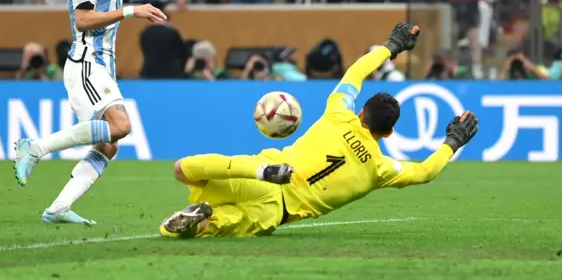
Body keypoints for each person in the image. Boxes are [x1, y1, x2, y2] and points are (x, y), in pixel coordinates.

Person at [159, 23, 480, 238]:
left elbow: (356, 72)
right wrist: (453, 142)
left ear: (362, 110)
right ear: (389, 134)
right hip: (277, 209)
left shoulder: (338, 112)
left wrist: (391, 47)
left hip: (261, 171)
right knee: (217, 225)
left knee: (183, 170)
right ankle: (203, 220)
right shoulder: (381, 168)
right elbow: (424, 171)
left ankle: (241, 173)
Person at [13, 0, 168, 225]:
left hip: (102, 67)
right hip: (86, 63)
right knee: (121, 127)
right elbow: (82, 20)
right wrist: (131, 11)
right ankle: (35, 148)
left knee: (108, 145)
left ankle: (57, 208)